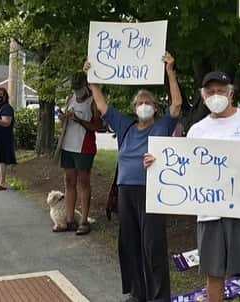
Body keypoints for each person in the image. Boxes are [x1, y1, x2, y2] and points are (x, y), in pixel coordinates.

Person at [86, 51, 182, 302]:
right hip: (126, 192)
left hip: (151, 191)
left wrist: (170, 72)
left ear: (155, 107)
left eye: (147, 101)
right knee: (129, 244)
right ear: (133, 108)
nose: (143, 105)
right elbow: (102, 106)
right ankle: (138, 293)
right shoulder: (125, 125)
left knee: (153, 246)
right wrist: (92, 80)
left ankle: (159, 297)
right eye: (139, 102)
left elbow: (177, 106)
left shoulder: (161, 126)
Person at [186, 71, 240, 302]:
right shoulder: (196, 130)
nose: (216, 95)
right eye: (210, 92)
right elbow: (186, 171)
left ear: (230, 93)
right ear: (203, 96)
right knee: (214, 275)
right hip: (209, 213)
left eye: (221, 91)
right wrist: (156, 163)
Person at [55, 72, 102, 235]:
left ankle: (84, 220)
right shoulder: (70, 98)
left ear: (86, 85)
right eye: (74, 88)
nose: (76, 91)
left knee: (83, 182)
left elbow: (98, 126)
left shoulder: (93, 102)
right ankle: (69, 219)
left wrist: (79, 120)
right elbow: (64, 121)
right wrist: (63, 118)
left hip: (84, 146)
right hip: (68, 144)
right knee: (69, 181)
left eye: (79, 88)